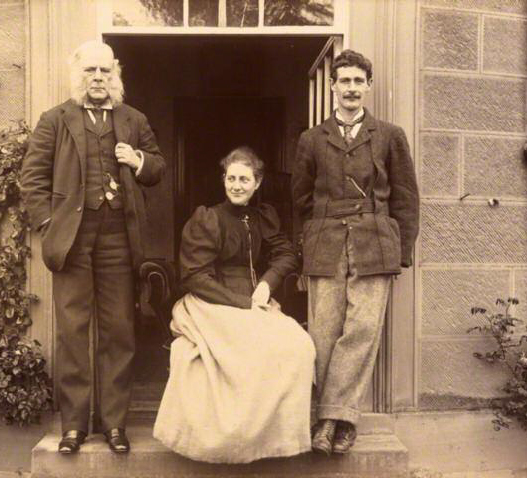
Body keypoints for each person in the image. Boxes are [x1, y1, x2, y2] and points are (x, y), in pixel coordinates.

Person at [20, 40, 165, 455]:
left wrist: (137, 159)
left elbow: (157, 166)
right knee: (72, 332)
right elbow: (32, 180)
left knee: (119, 330)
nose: (98, 79)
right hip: (72, 241)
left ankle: (114, 425)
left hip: (119, 237)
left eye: (105, 71)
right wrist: (50, 225)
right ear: (78, 76)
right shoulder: (55, 120)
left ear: (115, 76)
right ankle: (74, 427)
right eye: (90, 72)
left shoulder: (133, 119)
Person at [291, 49, 419, 455]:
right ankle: (336, 418)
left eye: (357, 81)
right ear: (331, 87)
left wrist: (401, 250)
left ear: (368, 86)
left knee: (362, 331)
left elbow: (406, 197)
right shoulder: (312, 139)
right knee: (324, 332)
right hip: (326, 243)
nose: (350, 88)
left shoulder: (389, 135)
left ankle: (334, 420)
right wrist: (305, 248)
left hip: (374, 243)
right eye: (343, 80)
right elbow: (299, 199)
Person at [153, 147, 315, 464]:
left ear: (257, 183)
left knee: (298, 346)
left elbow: (285, 254)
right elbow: (195, 277)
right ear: (223, 180)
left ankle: (271, 438)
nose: (237, 185)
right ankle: (232, 440)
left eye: (244, 179)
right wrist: (242, 303)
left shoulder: (263, 217)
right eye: (231, 178)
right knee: (242, 351)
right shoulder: (208, 219)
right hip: (209, 301)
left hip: (256, 300)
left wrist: (267, 283)